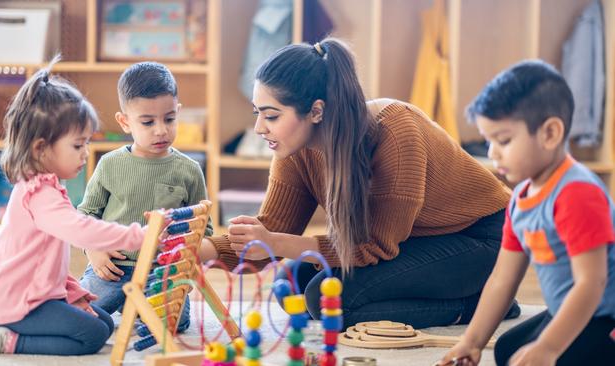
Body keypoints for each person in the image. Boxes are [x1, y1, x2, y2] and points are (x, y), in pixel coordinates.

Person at [198, 37, 519, 329]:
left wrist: (277, 243)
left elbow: (375, 245)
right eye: (257, 113)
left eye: (271, 116)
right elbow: (271, 230)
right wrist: (201, 251)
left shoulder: (394, 133)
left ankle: (479, 305)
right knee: (292, 285)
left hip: (484, 239)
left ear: (316, 111)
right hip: (414, 238)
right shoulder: (294, 149)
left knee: (330, 303)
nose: (258, 128)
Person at [437, 60, 615, 366]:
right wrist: (472, 342)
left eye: (503, 140)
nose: (492, 153)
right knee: (509, 349)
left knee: (552, 357)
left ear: (550, 133)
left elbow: (591, 283)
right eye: (489, 140)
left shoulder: (577, 193)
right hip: (572, 310)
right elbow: (502, 280)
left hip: (605, 316)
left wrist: (548, 347)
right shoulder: (520, 199)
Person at [0, 58, 146, 355]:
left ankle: (21, 330)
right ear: (41, 148)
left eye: (87, 144)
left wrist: (72, 293)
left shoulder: (45, 186)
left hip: (33, 296)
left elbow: (46, 262)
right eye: (78, 145)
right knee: (92, 337)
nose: (86, 154)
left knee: (101, 321)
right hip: (16, 306)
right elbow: (82, 232)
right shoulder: (39, 194)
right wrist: (138, 235)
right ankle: (8, 341)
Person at [78, 62, 213, 334]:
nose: (161, 130)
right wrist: (94, 250)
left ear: (178, 113)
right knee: (79, 316)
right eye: (148, 122)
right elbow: (84, 216)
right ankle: (128, 303)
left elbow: (204, 230)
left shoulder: (189, 170)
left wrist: (184, 264)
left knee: (172, 325)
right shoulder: (110, 164)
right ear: (125, 122)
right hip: (112, 268)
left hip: (161, 273)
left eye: (169, 119)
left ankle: (136, 306)